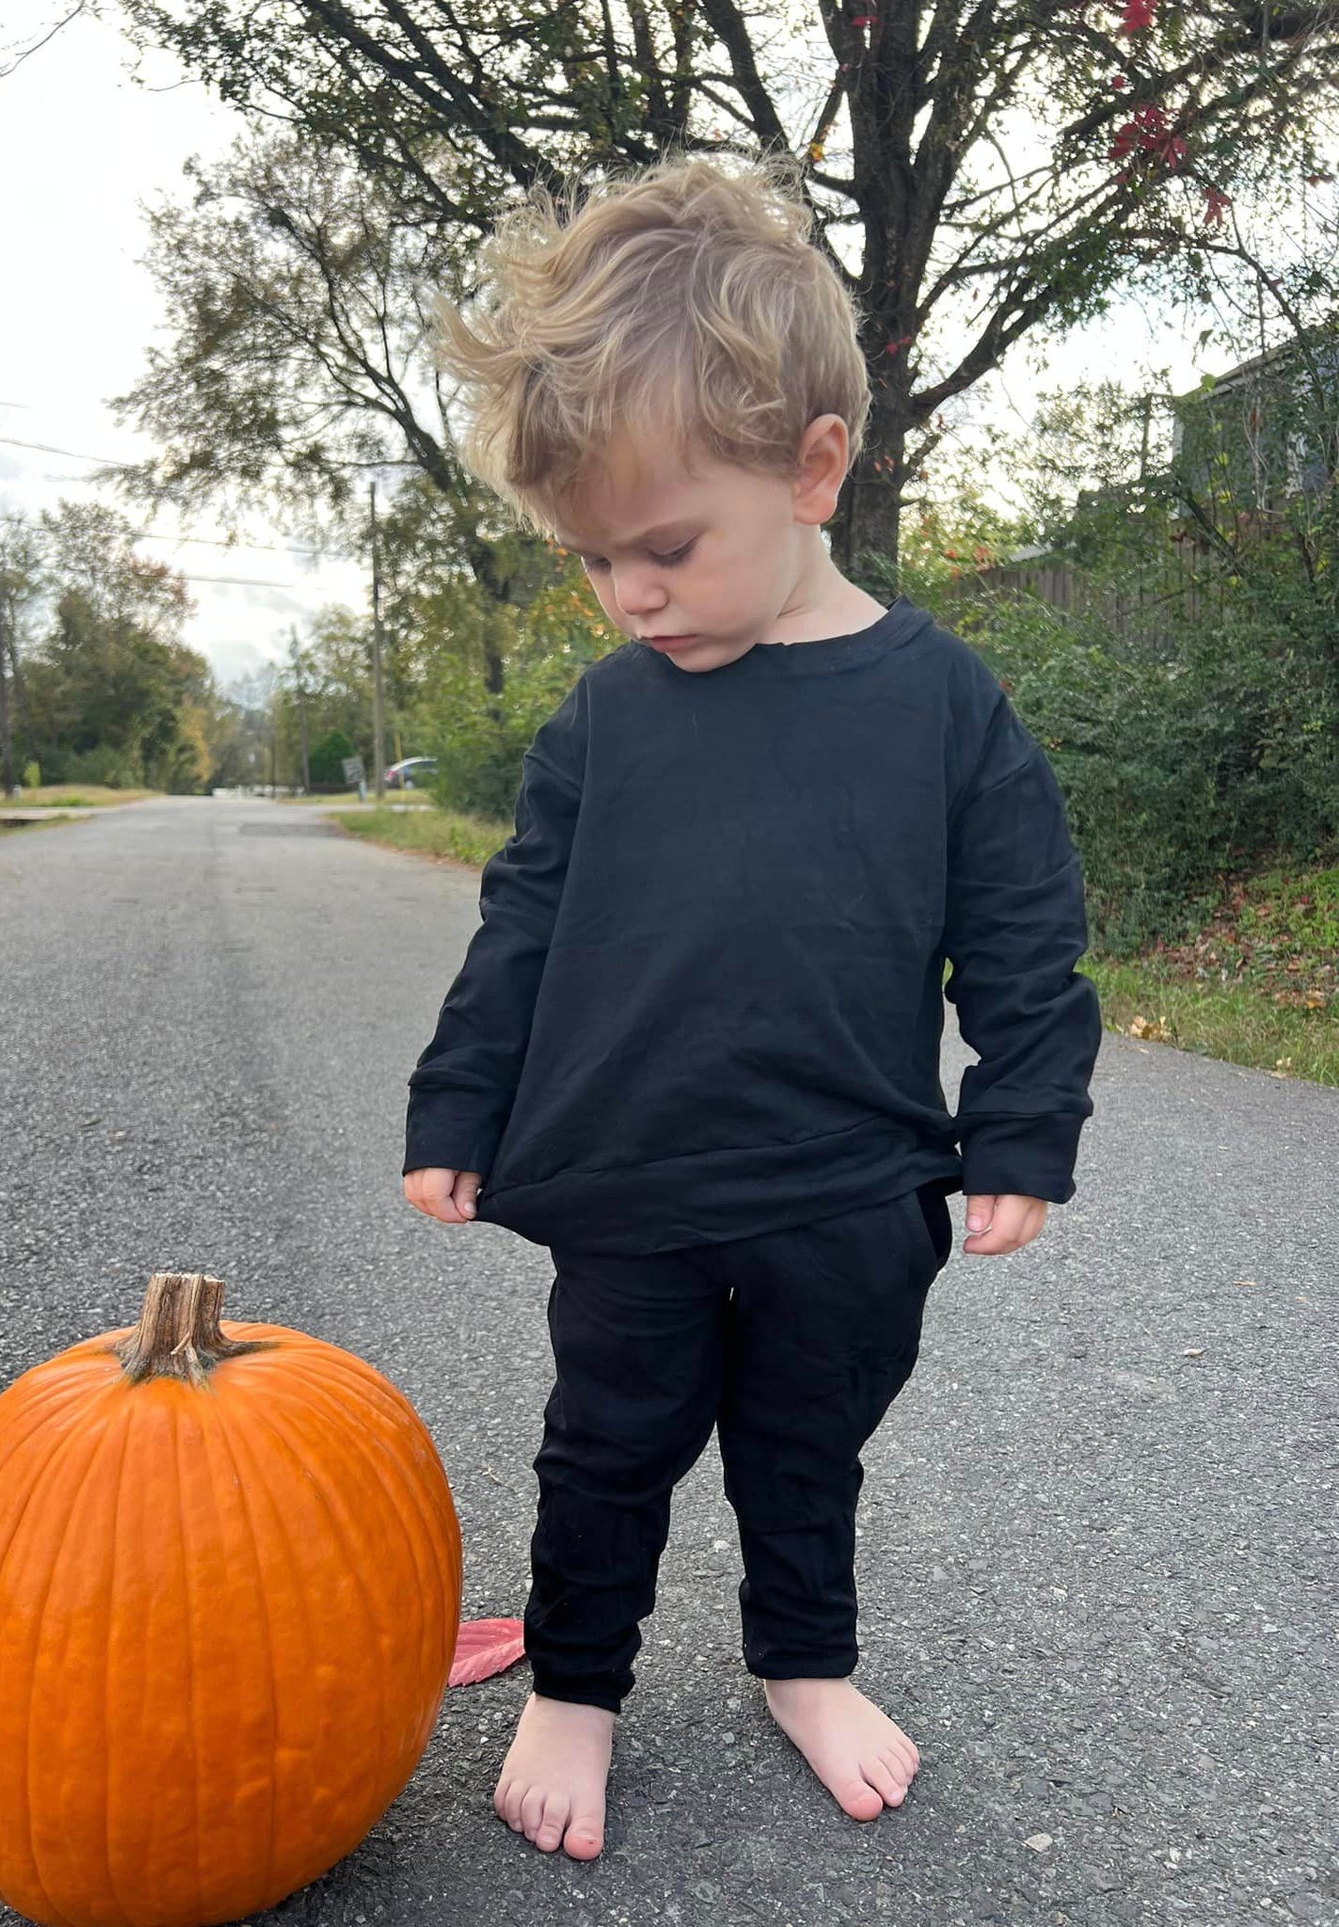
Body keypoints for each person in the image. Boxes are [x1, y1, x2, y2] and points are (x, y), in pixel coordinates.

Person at [402, 153, 1102, 1863]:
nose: (628, 594)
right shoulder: (603, 722)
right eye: (590, 564)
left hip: (850, 1191)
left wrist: (1021, 1118)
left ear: (811, 470)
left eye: (662, 548)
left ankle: (804, 1660)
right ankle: (577, 1681)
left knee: (807, 1444)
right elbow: (524, 925)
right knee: (605, 1445)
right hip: (632, 1182)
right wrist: (457, 1104)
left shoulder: (937, 701)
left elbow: (1022, 926)